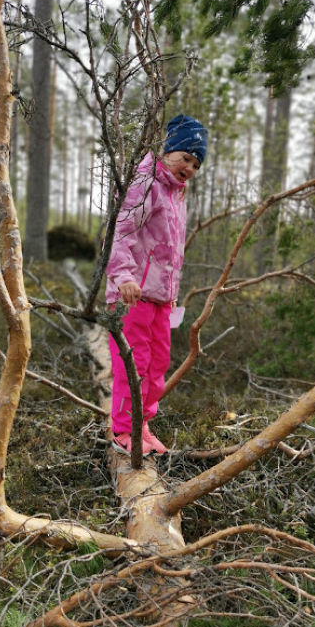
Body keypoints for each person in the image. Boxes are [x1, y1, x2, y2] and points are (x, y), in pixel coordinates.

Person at [106, 114, 208, 455]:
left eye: (196, 163)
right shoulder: (145, 183)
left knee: (157, 365)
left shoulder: (177, 194)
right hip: (132, 296)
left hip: (161, 299)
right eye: (185, 157)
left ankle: (142, 425)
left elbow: (169, 251)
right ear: (167, 151)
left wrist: (171, 293)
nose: (190, 167)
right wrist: (123, 277)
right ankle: (123, 430)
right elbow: (121, 231)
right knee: (132, 364)